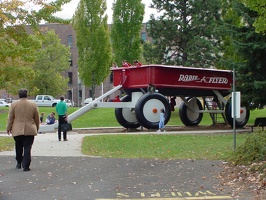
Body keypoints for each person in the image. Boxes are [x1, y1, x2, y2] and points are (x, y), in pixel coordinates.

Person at [6, 89, 40, 171]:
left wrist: (8, 128)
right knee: (27, 147)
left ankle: (19, 162)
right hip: (30, 129)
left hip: (17, 129)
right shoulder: (33, 104)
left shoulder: (14, 105)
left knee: (18, 146)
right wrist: (37, 127)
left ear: (19, 95)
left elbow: (10, 118)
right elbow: (36, 118)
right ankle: (26, 166)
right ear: (27, 95)